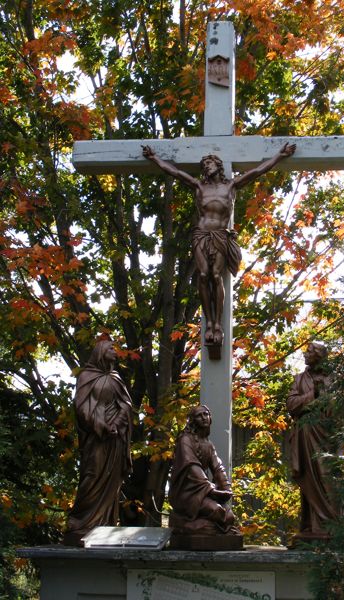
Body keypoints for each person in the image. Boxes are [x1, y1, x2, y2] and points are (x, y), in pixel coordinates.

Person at [142, 142, 296, 348]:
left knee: (216, 275)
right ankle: (209, 322)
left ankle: (218, 324)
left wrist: (280, 156)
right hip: (201, 234)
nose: (206, 166)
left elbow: (258, 171)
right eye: (204, 164)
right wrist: (154, 159)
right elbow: (175, 172)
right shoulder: (199, 186)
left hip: (221, 235)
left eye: (209, 163)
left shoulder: (231, 186)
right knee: (203, 275)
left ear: (218, 165)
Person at [63, 338, 133, 546]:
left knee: (113, 479)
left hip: (116, 438)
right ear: (101, 352)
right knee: (91, 475)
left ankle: (106, 522)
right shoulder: (86, 376)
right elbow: (81, 407)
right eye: (111, 348)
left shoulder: (115, 377)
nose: (115, 351)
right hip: (97, 437)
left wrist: (117, 424)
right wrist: (102, 426)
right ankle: (80, 520)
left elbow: (127, 404)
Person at [286, 342, 336, 541]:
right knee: (309, 478)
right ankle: (310, 527)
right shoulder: (299, 379)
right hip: (306, 438)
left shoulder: (333, 380)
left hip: (327, 438)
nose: (305, 354)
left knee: (327, 478)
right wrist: (312, 395)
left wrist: (322, 400)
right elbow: (291, 405)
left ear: (320, 356)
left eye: (309, 351)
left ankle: (331, 525)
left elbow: (336, 407)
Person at [168, 405, 238, 536]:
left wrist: (226, 489)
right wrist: (211, 490)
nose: (204, 418)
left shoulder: (208, 444)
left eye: (206, 414)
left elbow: (218, 468)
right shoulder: (185, 440)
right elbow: (192, 467)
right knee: (217, 511)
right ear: (193, 421)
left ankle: (220, 532)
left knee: (229, 515)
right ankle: (200, 528)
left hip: (203, 491)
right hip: (187, 493)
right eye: (199, 416)